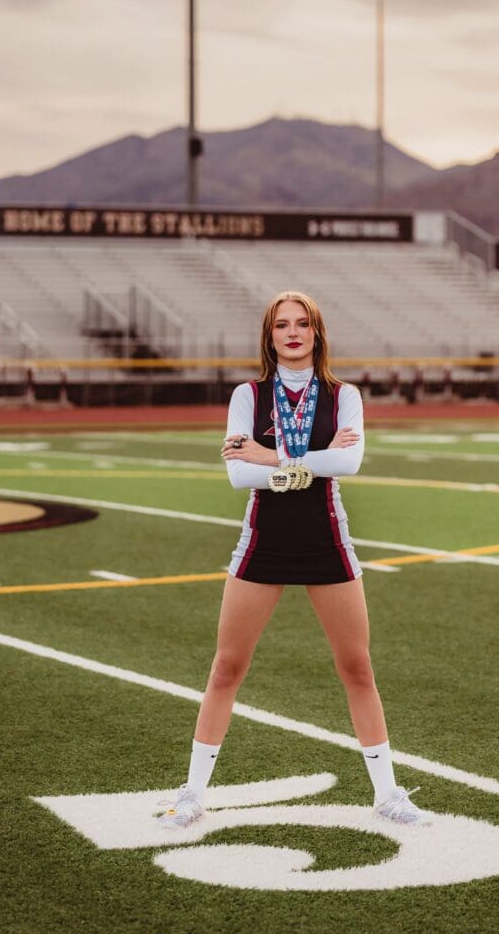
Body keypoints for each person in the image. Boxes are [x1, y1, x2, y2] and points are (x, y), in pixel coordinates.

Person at [156, 290, 428, 829]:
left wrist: (274, 459)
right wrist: (304, 466)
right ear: (270, 335)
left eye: (303, 323)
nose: (293, 332)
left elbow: (349, 462)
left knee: (357, 667)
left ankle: (388, 793)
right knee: (227, 666)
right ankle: (191, 794)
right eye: (282, 325)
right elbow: (239, 473)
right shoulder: (247, 396)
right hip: (264, 539)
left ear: (317, 332)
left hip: (327, 537)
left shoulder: (343, 395)